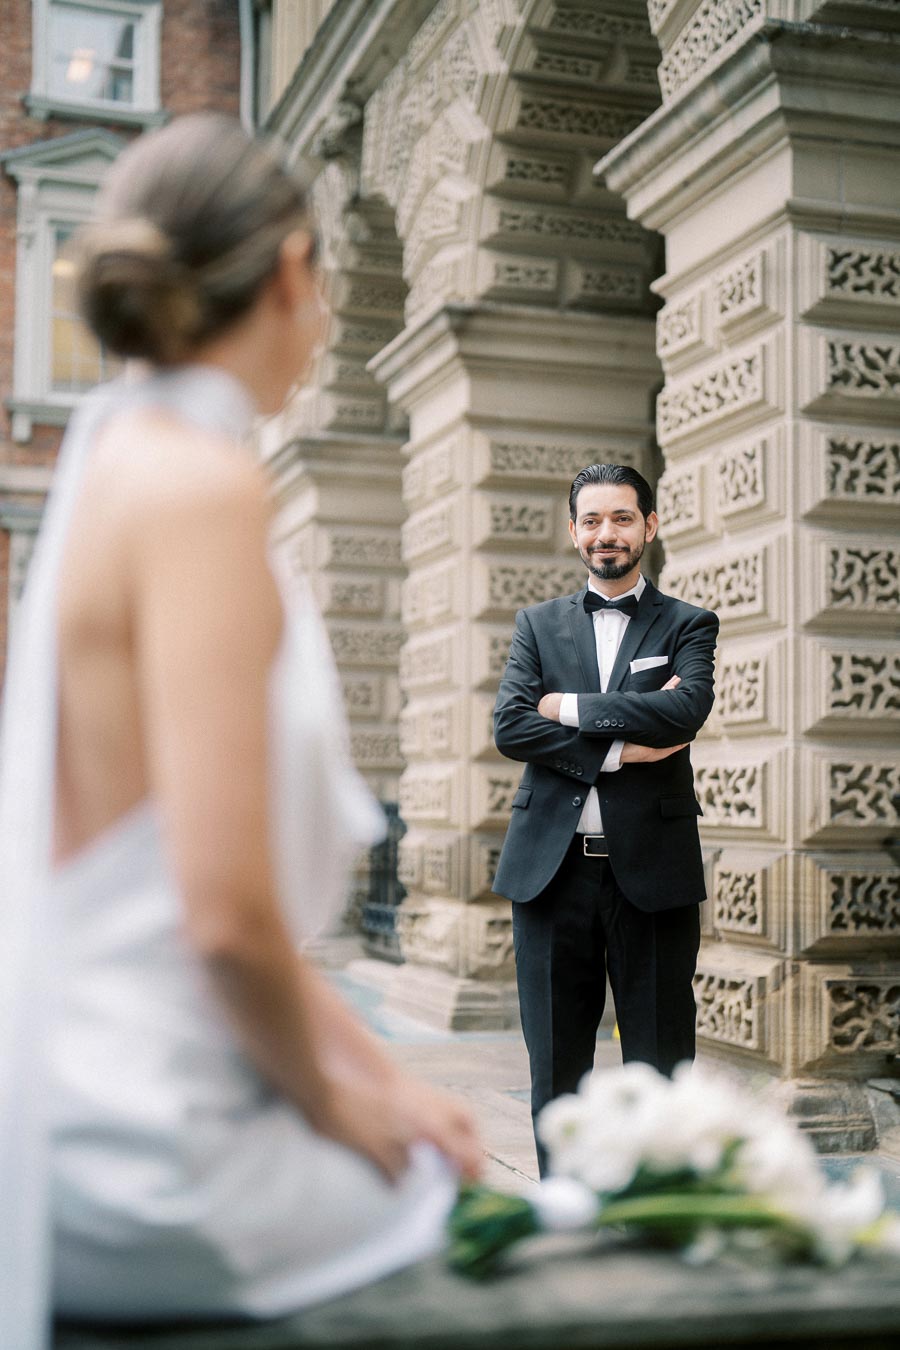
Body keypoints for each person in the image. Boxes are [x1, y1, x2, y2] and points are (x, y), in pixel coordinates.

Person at [0, 114, 481, 1349]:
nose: (322, 323)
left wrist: (389, 1081)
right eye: (320, 283)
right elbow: (222, 915)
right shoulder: (201, 490)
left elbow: (205, 901)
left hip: (85, 1111)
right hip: (155, 1154)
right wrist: (342, 1109)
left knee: (435, 1149)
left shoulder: (118, 469)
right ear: (287, 271)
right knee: (486, 1216)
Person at [492, 463, 718, 1173]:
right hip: (550, 875)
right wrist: (624, 750)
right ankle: (567, 1200)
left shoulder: (688, 624)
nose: (606, 534)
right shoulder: (537, 625)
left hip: (652, 873)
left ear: (649, 527)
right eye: (591, 520)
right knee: (557, 1063)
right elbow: (510, 728)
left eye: (621, 518)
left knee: (658, 1060)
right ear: (573, 533)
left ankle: (657, 1204)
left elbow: (686, 711)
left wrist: (568, 708)